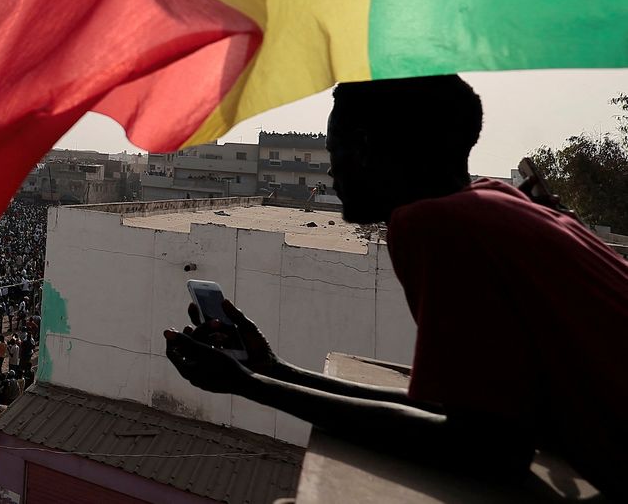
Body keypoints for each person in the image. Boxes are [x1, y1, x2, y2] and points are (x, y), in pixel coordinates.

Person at [164, 75, 628, 499]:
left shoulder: (434, 224)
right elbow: (456, 414)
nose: (330, 173)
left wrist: (248, 387)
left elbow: (486, 450)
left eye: (333, 152)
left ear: (363, 148)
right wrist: (272, 370)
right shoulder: (494, 200)